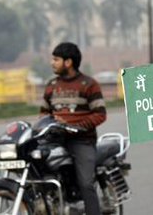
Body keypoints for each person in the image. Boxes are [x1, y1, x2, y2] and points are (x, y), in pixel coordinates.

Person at [39, 42, 107, 215]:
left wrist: (76, 127)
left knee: (85, 183)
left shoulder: (89, 84)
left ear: (68, 62)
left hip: (82, 141)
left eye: (56, 59)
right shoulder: (52, 85)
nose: (52, 63)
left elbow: (100, 114)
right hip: (55, 140)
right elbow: (44, 113)